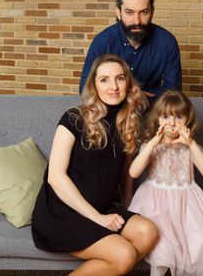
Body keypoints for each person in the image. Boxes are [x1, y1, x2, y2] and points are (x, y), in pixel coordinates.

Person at [31, 54, 158, 276]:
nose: (113, 87)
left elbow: (126, 174)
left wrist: (126, 209)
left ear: (128, 82)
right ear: (94, 85)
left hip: (103, 208)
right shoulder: (73, 118)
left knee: (147, 232)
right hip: (62, 212)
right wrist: (97, 218)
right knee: (124, 255)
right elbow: (55, 177)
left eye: (120, 78)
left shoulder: (129, 120)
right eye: (104, 80)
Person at [128, 90, 203, 276]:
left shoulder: (191, 147)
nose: (171, 123)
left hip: (187, 204)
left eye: (178, 117)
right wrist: (154, 142)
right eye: (165, 117)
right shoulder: (151, 146)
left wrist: (191, 144)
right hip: (155, 204)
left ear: (187, 120)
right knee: (163, 245)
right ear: (157, 120)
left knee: (199, 240)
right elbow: (134, 172)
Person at [79, 0, 182, 102]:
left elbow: (174, 91)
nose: (137, 21)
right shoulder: (102, 41)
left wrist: (139, 97)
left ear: (152, 12)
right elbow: (85, 89)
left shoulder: (167, 42)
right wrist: (127, 95)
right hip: (112, 107)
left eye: (143, 12)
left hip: (150, 108)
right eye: (129, 12)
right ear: (118, 13)